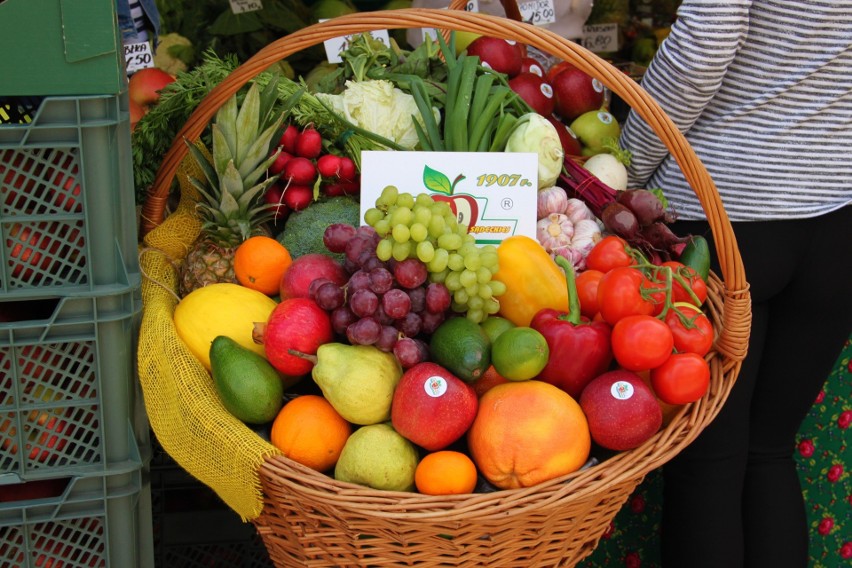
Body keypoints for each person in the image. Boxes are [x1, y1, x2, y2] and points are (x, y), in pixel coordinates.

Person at [618, 1, 852, 566]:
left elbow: (704, 46)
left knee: (709, 464)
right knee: (769, 451)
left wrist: (625, 164)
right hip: (837, 215)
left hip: (723, 215)